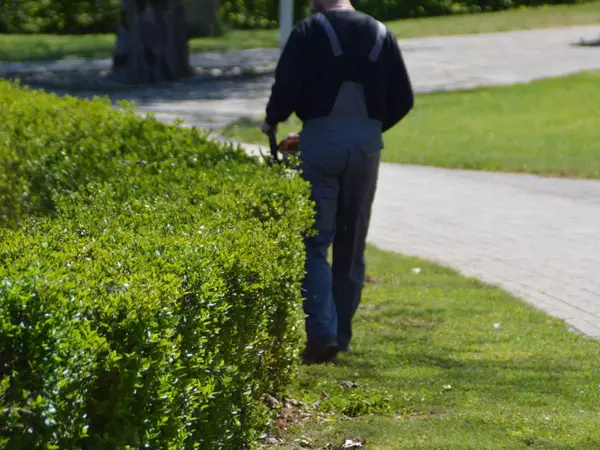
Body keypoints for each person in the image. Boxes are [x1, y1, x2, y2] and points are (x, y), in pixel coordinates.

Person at [261, 0, 414, 364]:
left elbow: (287, 85)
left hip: (320, 144)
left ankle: (321, 334)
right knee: (352, 241)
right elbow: (403, 98)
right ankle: (342, 336)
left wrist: (273, 119)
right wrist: (369, 127)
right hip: (366, 146)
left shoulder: (308, 31)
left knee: (314, 241)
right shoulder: (381, 32)